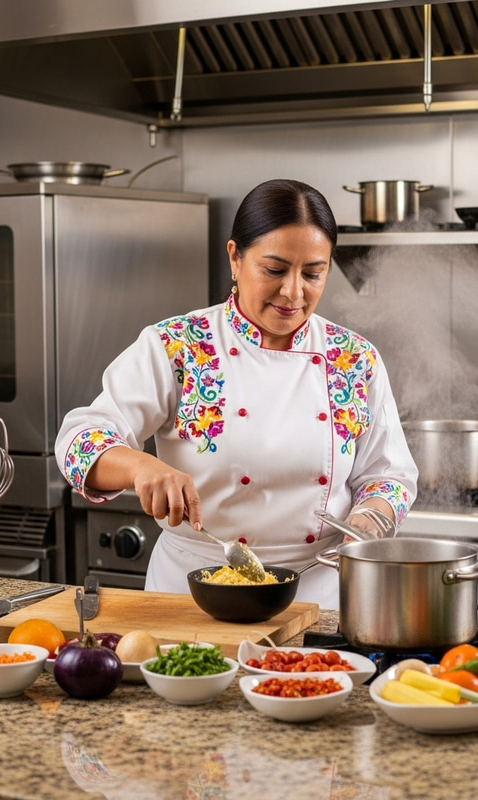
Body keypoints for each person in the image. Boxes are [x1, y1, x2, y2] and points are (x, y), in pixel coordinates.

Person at [55, 179, 418, 608]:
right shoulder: (179, 345)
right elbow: (79, 442)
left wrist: (369, 520)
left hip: (319, 592)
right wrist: (140, 467)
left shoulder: (354, 359)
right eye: (275, 270)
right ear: (235, 258)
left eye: (314, 274)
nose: (294, 292)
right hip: (192, 593)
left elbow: (388, 476)